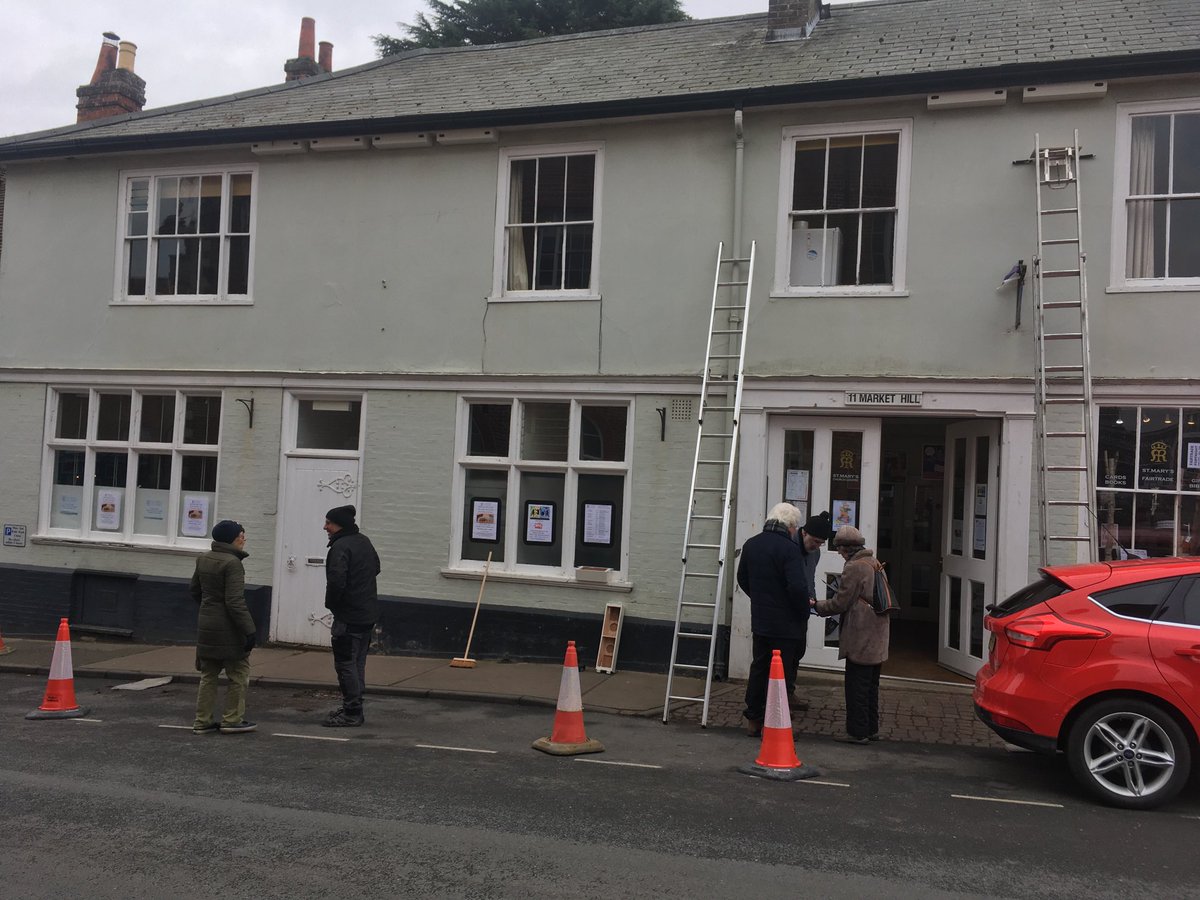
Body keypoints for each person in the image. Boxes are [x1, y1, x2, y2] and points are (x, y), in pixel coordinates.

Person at [736, 502, 809, 737]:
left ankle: (754, 717)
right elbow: (797, 587)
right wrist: (802, 612)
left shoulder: (751, 545)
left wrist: (758, 598)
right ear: (790, 526)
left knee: (759, 666)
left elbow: (742, 578)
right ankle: (776, 719)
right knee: (781, 672)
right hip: (786, 623)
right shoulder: (789, 550)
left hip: (761, 619)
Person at [814, 525, 891, 744]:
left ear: (846, 548)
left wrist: (817, 606)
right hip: (878, 633)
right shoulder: (875, 563)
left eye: (839, 548)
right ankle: (871, 728)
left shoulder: (854, 567)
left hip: (861, 635)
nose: (838, 553)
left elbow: (840, 602)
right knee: (871, 685)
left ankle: (857, 732)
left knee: (857, 684)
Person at [191, 520, 258, 735]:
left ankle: (202, 721)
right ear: (233, 538)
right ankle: (232, 719)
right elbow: (234, 601)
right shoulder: (232, 563)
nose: (244, 538)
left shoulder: (203, 559)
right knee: (238, 673)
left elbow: (194, 591)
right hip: (229, 627)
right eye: (241, 534)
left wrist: (209, 607)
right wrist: (249, 630)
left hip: (207, 623)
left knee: (208, 674)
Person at [322, 505, 381, 727]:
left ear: (340, 525)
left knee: (345, 664)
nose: (325, 527)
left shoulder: (340, 547)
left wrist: (332, 605)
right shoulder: (363, 541)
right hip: (367, 613)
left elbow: (336, 582)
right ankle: (353, 706)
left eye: (329, 522)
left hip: (349, 616)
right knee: (357, 663)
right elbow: (376, 567)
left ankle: (352, 712)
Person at [790, 511, 834, 711]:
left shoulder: (814, 552)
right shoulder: (789, 546)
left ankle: (789, 692)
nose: (816, 546)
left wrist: (813, 600)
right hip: (786, 609)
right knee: (785, 654)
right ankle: (779, 696)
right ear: (804, 532)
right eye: (815, 541)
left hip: (803, 608)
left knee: (798, 651)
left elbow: (810, 576)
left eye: (821, 543)